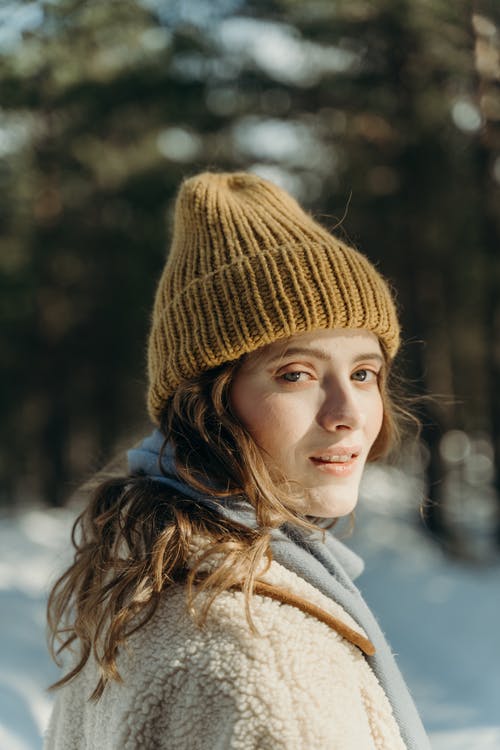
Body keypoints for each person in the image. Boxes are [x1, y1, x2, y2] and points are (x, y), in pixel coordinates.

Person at [45, 171, 430, 749]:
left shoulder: (132, 583)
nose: (348, 411)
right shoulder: (266, 663)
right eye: (296, 374)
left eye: (363, 373)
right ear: (207, 401)